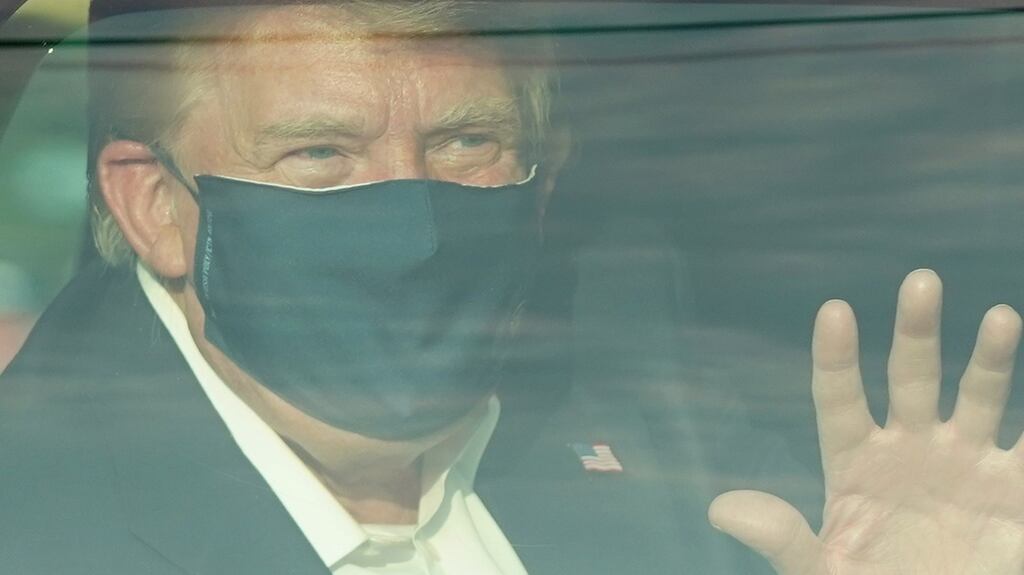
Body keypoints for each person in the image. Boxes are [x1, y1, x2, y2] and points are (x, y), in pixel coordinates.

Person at [1, 1, 1022, 574]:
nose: (412, 220)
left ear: (541, 182)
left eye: (466, 142)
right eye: (319, 153)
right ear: (156, 207)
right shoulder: (31, 514)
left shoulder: (683, 456)